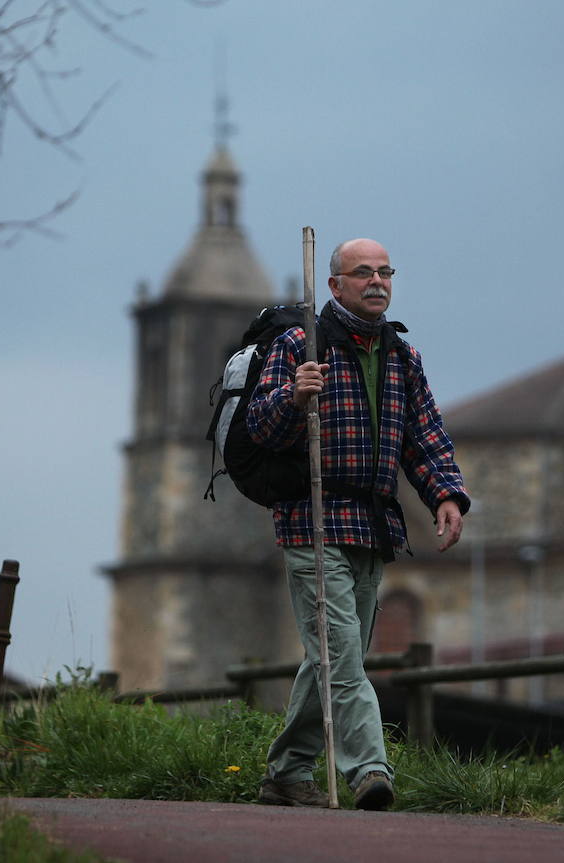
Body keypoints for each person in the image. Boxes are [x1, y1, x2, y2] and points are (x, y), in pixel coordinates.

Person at [245, 237, 469, 811]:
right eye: (362, 272)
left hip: (374, 526)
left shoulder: (402, 357)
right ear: (334, 284)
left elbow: (424, 438)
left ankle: (287, 774)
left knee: (330, 656)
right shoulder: (301, 345)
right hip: (312, 523)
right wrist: (294, 398)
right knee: (342, 656)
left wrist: (446, 495)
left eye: (385, 271)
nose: (377, 281)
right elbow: (260, 429)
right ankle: (369, 770)